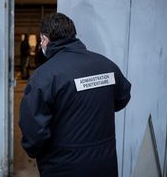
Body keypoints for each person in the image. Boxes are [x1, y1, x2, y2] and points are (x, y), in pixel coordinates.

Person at [19, 13, 131, 177]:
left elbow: (34, 133)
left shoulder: (44, 77)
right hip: (104, 164)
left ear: (45, 39)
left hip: (63, 167)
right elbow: (122, 98)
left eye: (41, 40)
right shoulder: (106, 65)